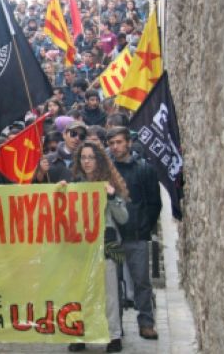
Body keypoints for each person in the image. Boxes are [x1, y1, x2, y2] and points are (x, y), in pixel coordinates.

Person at [67, 142, 129, 353]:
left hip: (108, 242)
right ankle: (78, 334)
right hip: (81, 244)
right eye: (83, 157)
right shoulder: (75, 183)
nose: (86, 161)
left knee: (110, 292)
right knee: (80, 291)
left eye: (90, 157)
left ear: (99, 160)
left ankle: (114, 336)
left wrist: (112, 196)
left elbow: (123, 217)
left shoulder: (109, 183)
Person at [107, 127, 162, 341]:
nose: (115, 146)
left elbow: (153, 203)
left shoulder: (144, 169)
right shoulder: (106, 171)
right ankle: (116, 327)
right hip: (112, 237)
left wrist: (143, 227)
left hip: (136, 235)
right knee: (114, 285)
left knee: (141, 281)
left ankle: (146, 322)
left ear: (128, 143)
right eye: (111, 143)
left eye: (119, 142)